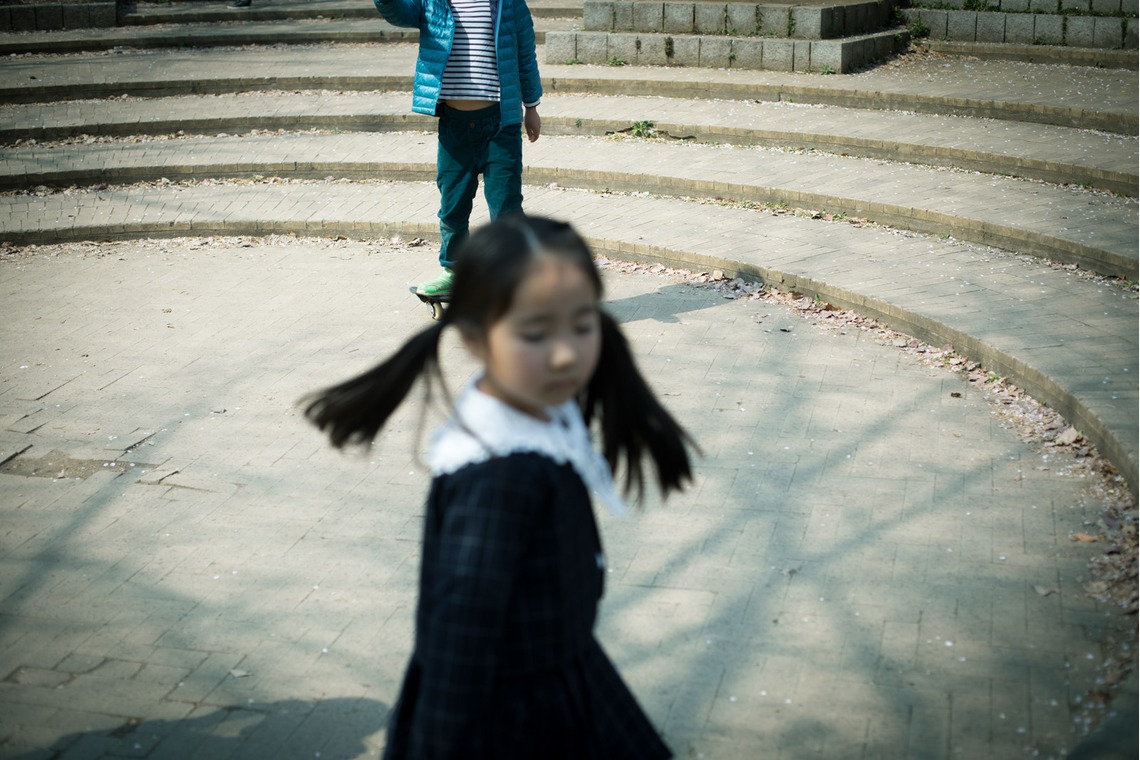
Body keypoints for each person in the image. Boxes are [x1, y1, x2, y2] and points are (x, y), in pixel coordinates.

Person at [303, 215, 695, 758]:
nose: (564, 353)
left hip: (566, 673)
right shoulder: (500, 478)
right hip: (511, 715)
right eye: (535, 333)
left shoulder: (538, 408)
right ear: (472, 336)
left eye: (581, 324)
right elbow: (457, 641)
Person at [373, 0, 543, 297]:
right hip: (454, 127)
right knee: (452, 207)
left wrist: (532, 106)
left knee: (506, 208)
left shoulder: (509, 3)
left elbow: (525, 53)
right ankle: (454, 271)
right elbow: (397, 13)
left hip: (499, 125)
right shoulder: (432, 2)